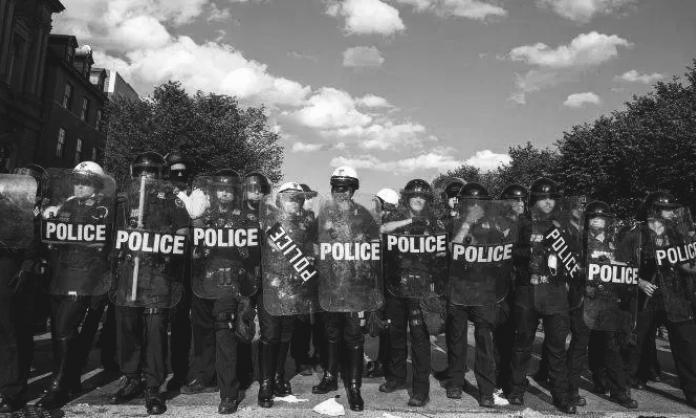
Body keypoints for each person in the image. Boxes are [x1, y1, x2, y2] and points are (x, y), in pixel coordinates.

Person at [109, 152, 189, 415]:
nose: (147, 177)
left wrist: (165, 245)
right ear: (135, 173)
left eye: (152, 172)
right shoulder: (122, 200)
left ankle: (153, 386)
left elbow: (183, 234)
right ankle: (132, 377)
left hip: (157, 274)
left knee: (155, 329)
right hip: (129, 272)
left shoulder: (172, 200)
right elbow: (110, 233)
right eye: (143, 172)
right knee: (127, 326)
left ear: (161, 175)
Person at [185, 170, 254, 414]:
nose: (224, 193)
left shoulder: (244, 218)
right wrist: (196, 233)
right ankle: (205, 377)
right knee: (202, 332)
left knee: (225, 334)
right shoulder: (204, 216)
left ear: (235, 194)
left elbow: (250, 255)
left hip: (229, 281)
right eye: (220, 190)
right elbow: (195, 250)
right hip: (204, 280)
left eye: (229, 190)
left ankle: (228, 393)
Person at [312, 166, 380, 411]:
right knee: (330, 333)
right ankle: (330, 377)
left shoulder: (363, 215)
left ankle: (354, 386)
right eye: (336, 188)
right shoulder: (324, 214)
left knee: (353, 336)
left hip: (354, 286)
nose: (340, 192)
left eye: (345, 188)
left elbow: (375, 247)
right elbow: (313, 244)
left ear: (353, 190)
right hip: (330, 284)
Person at [508, 178, 576, 414]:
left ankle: (561, 395)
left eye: (551, 198)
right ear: (533, 201)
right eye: (542, 198)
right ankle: (516, 389)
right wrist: (533, 250)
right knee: (522, 344)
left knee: (557, 348)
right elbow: (510, 251)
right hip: (528, 290)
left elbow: (576, 256)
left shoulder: (565, 225)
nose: (547, 202)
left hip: (555, 292)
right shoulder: (522, 223)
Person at [380, 179, 446, 407]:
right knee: (395, 336)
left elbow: (441, 256)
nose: (418, 199)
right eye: (414, 196)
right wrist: (410, 221)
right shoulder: (395, 218)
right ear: (406, 198)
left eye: (423, 197)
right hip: (396, 287)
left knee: (420, 340)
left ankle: (420, 390)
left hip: (421, 290)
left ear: (428, 200)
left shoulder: (435, 223)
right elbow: (381, 230)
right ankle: (396, 378)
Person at [627, 191, 696, 407]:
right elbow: (622, 264)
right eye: (668, 209)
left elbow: (685, 265)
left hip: (675, 296)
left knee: (686, 344)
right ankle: (625, 384)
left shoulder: (677, 234)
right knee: (637, 341)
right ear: (655, 210)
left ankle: (693, 393)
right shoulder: (636, 234)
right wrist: (639, 282)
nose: (673, 213)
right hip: (647, 295)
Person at [445, 182, 510, 407]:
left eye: (478, 203)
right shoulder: (454, 224)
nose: (474, 206)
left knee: (484, 342)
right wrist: (467, 224)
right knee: (456, 339)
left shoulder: (494, 226)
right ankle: (455, 383)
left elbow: (503, 253)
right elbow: (452, 249)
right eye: (470, 202)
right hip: (459, 289)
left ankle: (486, 391)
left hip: (484, 291)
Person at [258, 182, 318, 408]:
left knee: (285, 334)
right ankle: (265, 384)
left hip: (293, 288)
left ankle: (278, 376)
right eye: (291, 198)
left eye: (299, 199)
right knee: (270, 335)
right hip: (271, 287)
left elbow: (312, 252)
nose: (295, 203)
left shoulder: (306, 225)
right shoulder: (268, 221)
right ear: (280, 200)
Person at [583, 200, 638, 409]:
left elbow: (626, 266)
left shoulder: (615, 243)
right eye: (593, 217)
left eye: (601, 217)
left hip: (609, 300)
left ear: (608, 221)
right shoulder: (581, 242)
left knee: (611, 345)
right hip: (587, 299)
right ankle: (599, 379)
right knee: (593, 343)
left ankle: (618, 391)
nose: (597, 221)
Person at [0, 165, 45, 412]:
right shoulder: (4, 205)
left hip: (13, 272)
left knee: (12, 333)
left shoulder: (36, 212)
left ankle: (12, 391)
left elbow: (35, 243)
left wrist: (26, 268)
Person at [494, 184, 527, 397]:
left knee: (522, 337)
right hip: (502, 286)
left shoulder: (531, 225)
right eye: (516, 200)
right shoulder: (498, 224)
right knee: (502, 335)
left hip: (524, 287)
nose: (520, 204)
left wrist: (515, 251)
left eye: (523, 200)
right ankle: (500, 378)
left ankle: (516, 381)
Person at [165, 153, 193, 393]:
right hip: (160, 267)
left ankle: (180, 372)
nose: (179, 180)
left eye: (182, 177)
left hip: (185, 267)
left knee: (180, 321)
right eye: (175, 176)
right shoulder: (158, 198)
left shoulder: (196, 198)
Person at [365, 187, 400, 379]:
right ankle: (382, 362)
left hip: (389, 282)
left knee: (388, 325)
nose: (374, 206)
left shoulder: (391, 226)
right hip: (380, 280)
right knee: (382, 324)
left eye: (377, 202)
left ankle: (385, 364)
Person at [292, 183, 325, 377]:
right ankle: (301, 359)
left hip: (316, 273)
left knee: (320, 318)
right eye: (305, 198)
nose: (309, 201)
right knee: (301, 320)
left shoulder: (315, 219)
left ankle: (319, 356)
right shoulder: (289, 220)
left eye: (310, 198)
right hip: (298, 274)